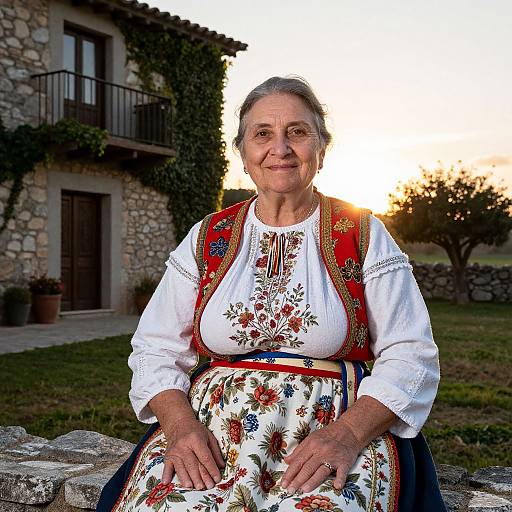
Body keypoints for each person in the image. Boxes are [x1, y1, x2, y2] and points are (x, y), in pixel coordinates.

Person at [97, 76, 447, 512]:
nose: (279, 148)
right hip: (213, 429)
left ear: (322, 147)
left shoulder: (360, 233)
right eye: (262, 134)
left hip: (331, 428)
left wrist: (347, 435)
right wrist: (181, 426)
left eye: (297, 132)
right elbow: (155, 346)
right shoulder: (208, 237)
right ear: (243, 153)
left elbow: (410, 352)